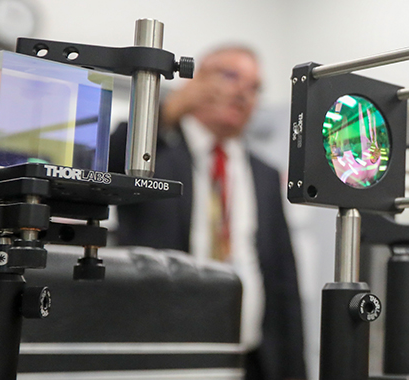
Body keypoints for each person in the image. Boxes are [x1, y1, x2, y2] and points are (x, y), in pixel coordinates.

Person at [109, 45, 306, 380]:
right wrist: (168, 110)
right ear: (197, 80)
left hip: (252, 359)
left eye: (254, 87)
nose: (243, 92)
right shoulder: (153, 152)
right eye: (230, 76)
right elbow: (107, 162)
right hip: (163, 356)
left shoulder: (264, 174)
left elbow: (283, 278)